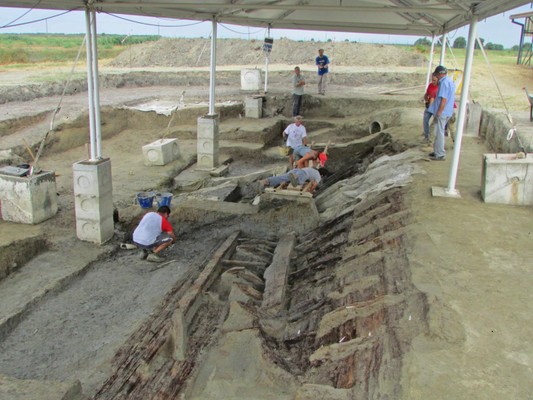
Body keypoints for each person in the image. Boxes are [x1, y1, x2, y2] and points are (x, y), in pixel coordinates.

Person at [427, 65, 456, 161]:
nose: (436, 77)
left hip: (443, 112)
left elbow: (443, 99)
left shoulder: (444, 83)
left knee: (439, 133)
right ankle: (437, 151)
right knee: (438, 131)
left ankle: (440, 154)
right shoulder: (449, 81)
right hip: (448, 111)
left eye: (436, 75)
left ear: (440, 74)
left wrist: (439, 112)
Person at [261, 167, 328, 194]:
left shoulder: (313, 170)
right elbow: (314, 186)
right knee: (298, 184)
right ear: (322, 175)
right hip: (302, 174)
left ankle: (267, 181)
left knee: (283, 177)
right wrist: (310, 192)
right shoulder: (318, 176)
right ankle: (295, 179)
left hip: (297, 170)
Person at [423, 73, 439, 144]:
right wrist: (426, 99)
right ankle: (427, 136)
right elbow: (427, 94)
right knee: (425, 121)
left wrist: (430, 106)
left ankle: (432, 139)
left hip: (435, 107)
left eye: (434, 80)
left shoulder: (440, 87)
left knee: (435, 124)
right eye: (432, 80)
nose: (433, 81)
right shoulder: (430, 85)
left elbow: (432, 98)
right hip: (429, 106)